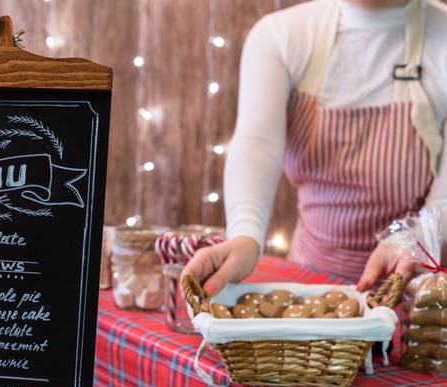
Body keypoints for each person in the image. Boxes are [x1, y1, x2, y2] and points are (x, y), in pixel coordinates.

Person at [182, 0, 447, 294]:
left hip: (417, 289)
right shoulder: (281, 34)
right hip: (307, 280)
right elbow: (257, 143)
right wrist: (245, 235)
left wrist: (412, 241)